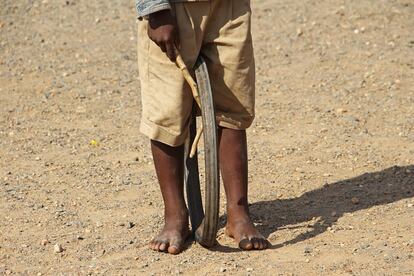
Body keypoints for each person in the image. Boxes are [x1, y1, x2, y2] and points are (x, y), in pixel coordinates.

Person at [135, 0, 270, 254]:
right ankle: (175, 215)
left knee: (233, 105)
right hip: (173, 9)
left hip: (230, 8)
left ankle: (238, 213)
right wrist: (153, 8)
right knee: (167, 110)